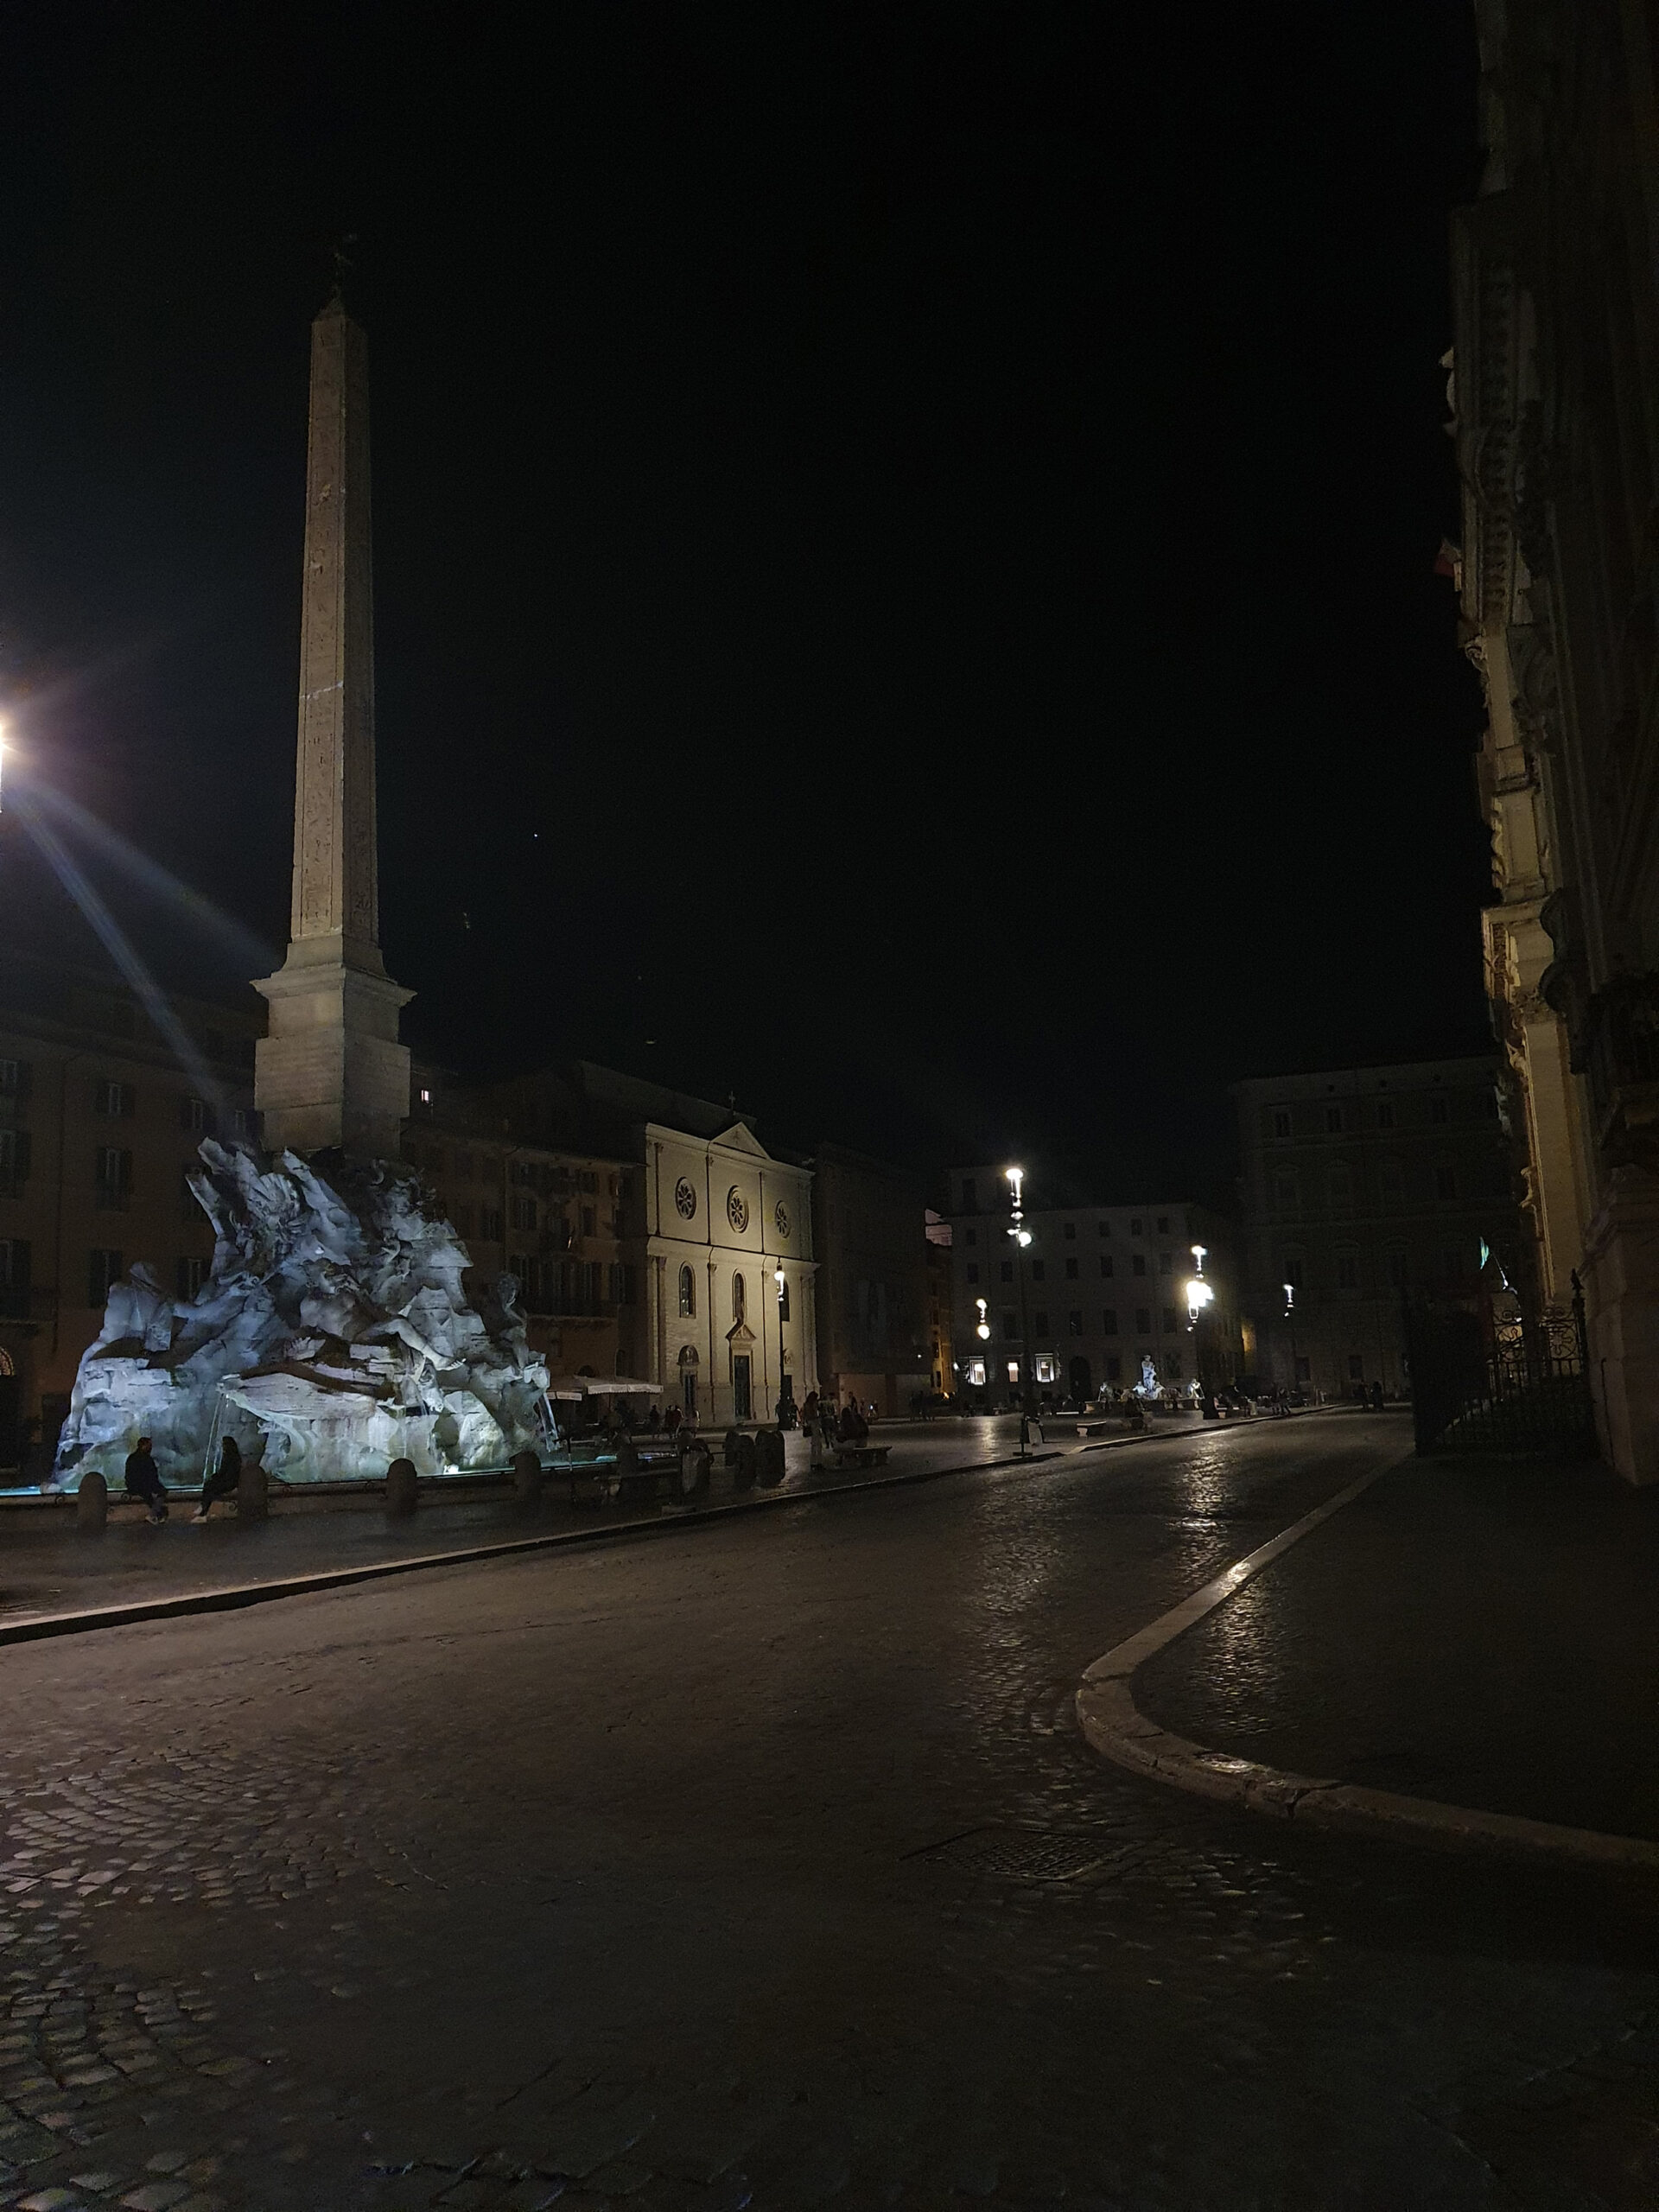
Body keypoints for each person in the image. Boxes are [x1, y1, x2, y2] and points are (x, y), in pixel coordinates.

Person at [194, 1434, 242, 1522]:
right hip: (227, 1480)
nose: (222, 1446)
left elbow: (228, 1473)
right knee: (209, 1485)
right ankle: (203, 1508)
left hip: (229, 1482)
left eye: (223, 1444)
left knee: (210, 1489)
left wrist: (216, 1478)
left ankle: (203, 1511)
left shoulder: (231, 1458)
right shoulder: (230, 1456)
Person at [124, 1436, 168, 1523]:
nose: (151, 1448)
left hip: (133, 1485)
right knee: (162, 1492)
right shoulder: (147, 1459)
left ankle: (157, 1513)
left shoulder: (132, 1457)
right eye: (149, 1445)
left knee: (149, 1497)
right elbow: (151, 1476)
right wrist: (156, 1485)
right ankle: (153, 1515)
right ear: (144, 1446)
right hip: (143, 1485)